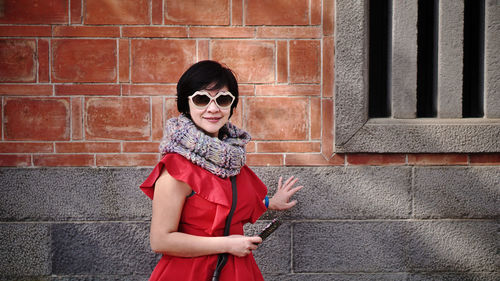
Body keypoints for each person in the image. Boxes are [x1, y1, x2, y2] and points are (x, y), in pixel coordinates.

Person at [140, 60, 302, 281]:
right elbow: (160, 240)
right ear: (186, 104)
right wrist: (228, 244)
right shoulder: (176, 168)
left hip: (238, 271)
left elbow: (229, 205)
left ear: (232, 105)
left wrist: (270, 202)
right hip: (190, 273)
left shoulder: (232, 160)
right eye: (201, 99)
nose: (213, 109)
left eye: (223, 99)